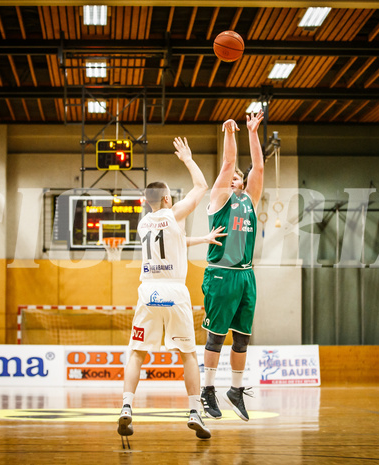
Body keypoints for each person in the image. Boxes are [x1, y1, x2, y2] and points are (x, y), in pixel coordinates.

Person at [118, 137, 226, 441]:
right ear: (167, 199)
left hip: (148, 292)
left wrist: (201, 240)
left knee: (137, 353)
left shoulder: (143, 225)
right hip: (175, 292)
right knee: (188, 354)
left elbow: (172, 240)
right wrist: (188, 159)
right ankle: (194, 410)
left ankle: (126, 406)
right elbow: (201, 186)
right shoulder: (174, 213)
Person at [200, 111, 264, 421]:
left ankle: (235, 390)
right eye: (233, 178)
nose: (236, 179)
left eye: (240, 177)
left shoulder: (250, 201)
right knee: (216, 337)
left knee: (242, 338)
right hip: (221, 275)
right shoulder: (218, 198)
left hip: (246, 275)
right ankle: (208, 388)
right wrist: (230, 134)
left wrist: (253, 131)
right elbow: (227, 164)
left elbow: (260, 167)